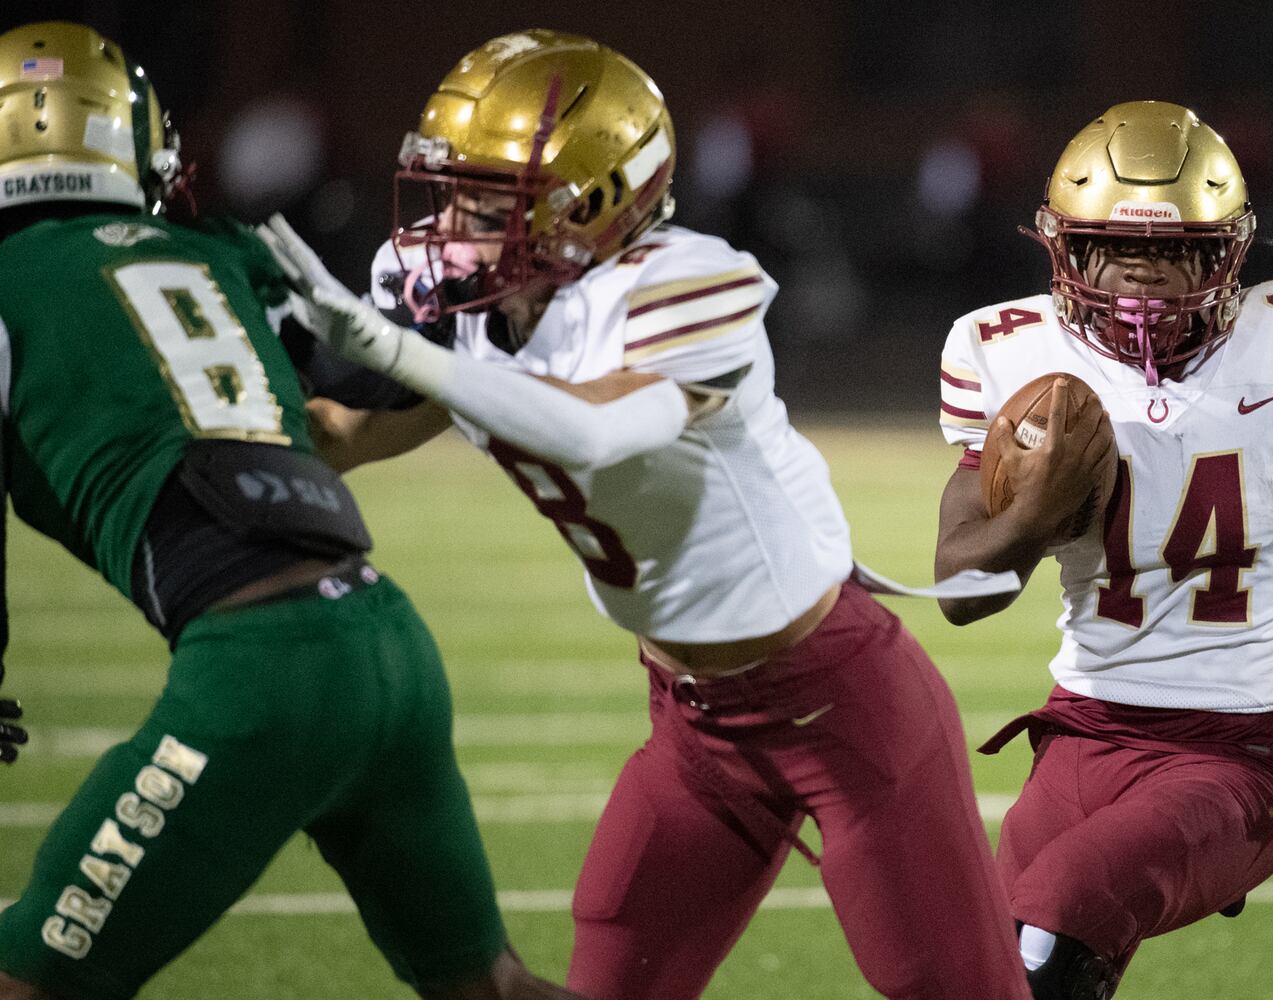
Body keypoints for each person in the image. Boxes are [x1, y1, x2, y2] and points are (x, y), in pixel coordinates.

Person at [260, 29, 1030, 1000]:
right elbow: (344, 432)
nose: (454, 219)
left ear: (590, 200)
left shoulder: (684, 282)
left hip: (842, 705)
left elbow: (592, 431)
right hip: (692, 725)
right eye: (452, 187)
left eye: (488, 195)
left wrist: (402, 352)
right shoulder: (472, 304)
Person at [0, 23, 583, 1000]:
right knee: (492, 988)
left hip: (260, 674)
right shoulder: (212, 247)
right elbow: (370, 380)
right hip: (389, 645)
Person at [932, 101, 1273, 999]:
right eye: (1112, 245)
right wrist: (1029, 517)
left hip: (1243, 752)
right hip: (1081, 734)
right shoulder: (1009, 354)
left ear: (1227, 252)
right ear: (1064, 251)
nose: (1142, 273)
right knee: (990, 970)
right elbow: (960, 595)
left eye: (1176, 248)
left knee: (1060, 921)